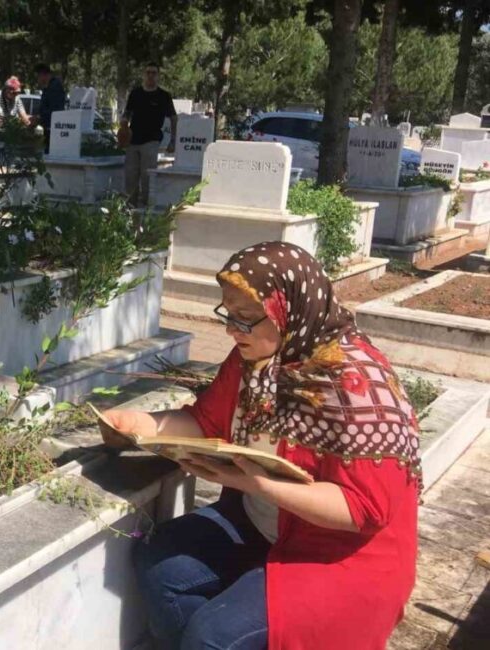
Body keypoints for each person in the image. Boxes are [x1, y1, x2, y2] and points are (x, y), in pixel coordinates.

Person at [101, 241, 419, 650]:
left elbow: (363, 511)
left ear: (290, 311)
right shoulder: (253, 360)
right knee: (161, 566)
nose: (233, 330)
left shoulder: (356, 386)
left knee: (213, 637)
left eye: (247, 318)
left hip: (341, 555)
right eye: (229, 315)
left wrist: (260, 485)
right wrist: (139, 425)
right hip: (263, 523)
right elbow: (206, 421)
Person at [121, 62, 177, 207]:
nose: (150, 76)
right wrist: (124, 122)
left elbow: (173, 117)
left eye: (154, 73)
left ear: (158, 76)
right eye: (148, 73)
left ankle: (146, 208)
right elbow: (128, 112)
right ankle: (129, 208)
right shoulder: (136, 93)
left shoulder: (164, 96)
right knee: (130, 176)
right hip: (133, 140)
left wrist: (173, 140)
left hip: (151, 141)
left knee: (147, 177)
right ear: (143, 75)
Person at [34, 63, 66, 154]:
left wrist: (39, 119)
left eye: (38, 76)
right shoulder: (47, 88)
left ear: (44, 75)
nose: (38, 80)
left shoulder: (55, 87)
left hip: (54, 130)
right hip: (48, 129)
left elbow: (54, 110)